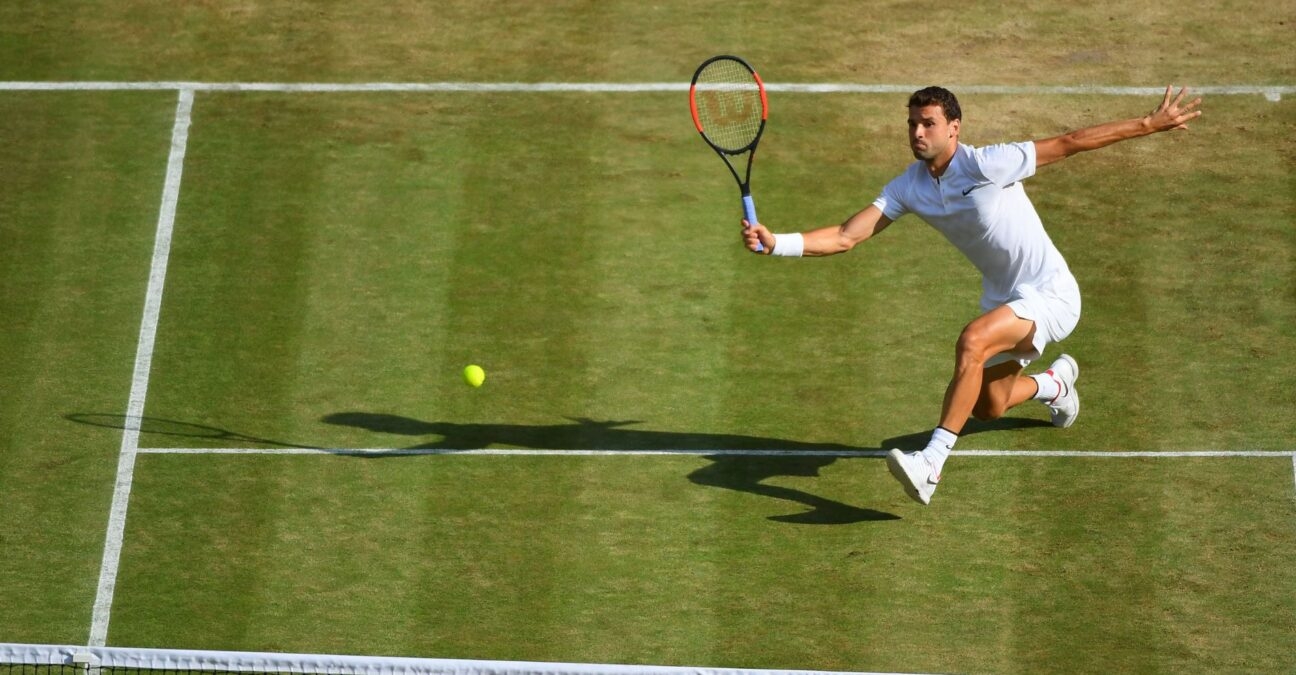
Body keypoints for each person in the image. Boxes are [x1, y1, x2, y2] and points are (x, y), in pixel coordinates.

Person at [741, 85, 1203, 505]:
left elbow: (1069, 143)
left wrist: (1148, 124)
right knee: (987, 406)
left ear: (954, 128)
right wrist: (777, 241)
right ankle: (1055, 385)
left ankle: (931, 464)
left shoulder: (987, 164)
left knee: (972, 342)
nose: (917, 133)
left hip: (1052, 295)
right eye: (912, 124)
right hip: (1005, 298)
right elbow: (846, 235)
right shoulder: (909, 186)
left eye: (928, 124)